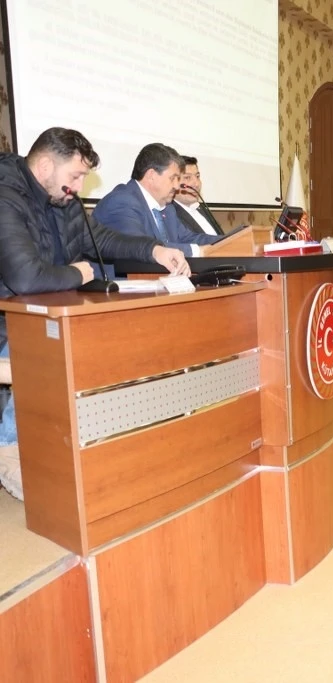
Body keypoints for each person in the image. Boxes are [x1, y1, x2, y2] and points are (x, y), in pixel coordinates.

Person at [0, 127, 190, 499]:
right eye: (75, 176)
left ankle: (95, 448)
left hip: (48, 311)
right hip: (10, 321)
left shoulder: (62, 199)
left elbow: (99, 238)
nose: (79, 186)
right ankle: (11, 451)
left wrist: (153, 250)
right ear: (44, 166)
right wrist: (79, 273)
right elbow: (24, 277)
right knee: (44, 344)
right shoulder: (6, 197)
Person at [93, 143, 222, 258]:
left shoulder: (167, 207)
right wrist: (196, 251)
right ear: (152, 176)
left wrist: (228, 241)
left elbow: (189, 238)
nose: (177, 186)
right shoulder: (122, 202)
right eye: (173, 178)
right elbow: (139, 248)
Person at [173, 156, 223, 236]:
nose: (196, 184)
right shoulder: (170, 215)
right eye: (187, 177)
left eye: (197, 176)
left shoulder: (202, 209)